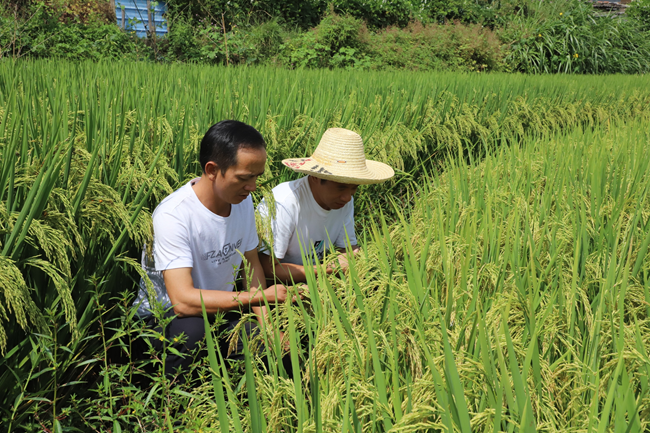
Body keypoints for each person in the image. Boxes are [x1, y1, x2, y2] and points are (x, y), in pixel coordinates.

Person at [133, 120, 291, 377]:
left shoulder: (242, 201)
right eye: (244, 178)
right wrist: (259, 298)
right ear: (212, 170)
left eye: (256, 177)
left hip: (218, 310)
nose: (252, 187)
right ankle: (171, 403)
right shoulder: (174, 215)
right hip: (165, 320)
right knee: (193, 333)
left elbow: (250, 267)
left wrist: (269, 326)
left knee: (277, 349)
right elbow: (182, 302)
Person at [256, 127, 394, 285]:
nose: (348, 197)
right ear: (315, 177)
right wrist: (328, 269)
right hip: (279, 288)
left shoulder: (344, 200)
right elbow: (268, 268)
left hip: (315, 278)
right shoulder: (284, 202)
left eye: (354, 188)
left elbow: (347, 249)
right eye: (341, 187)